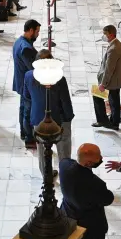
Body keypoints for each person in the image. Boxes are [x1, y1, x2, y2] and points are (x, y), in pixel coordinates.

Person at [23, 49, 75, 177]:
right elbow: (65, 101)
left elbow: (27, 96)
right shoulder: (59, 78)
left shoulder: (29, 75)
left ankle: (46, 175)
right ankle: (65, 176)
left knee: (42, 151)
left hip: (38, 118)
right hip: (58, 120)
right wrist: (68, 118)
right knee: (63, 150)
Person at [59, 143, 114, 239]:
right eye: (99, 157)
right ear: (89, 163)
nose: (101, 158)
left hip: (68, 221)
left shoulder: (64, 165)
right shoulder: (95, 184)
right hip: (90, 231)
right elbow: (109, 199)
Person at [13, 19, 41, 148]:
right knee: (27, 111)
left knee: (23, 108)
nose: (38, 34)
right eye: (37, 31)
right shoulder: (26, 48)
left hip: (21, 81)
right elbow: (32, 68)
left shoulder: (19, 41)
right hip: (26, 84)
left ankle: (24, 133)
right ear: (31, 30)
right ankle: (29, 138)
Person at [92, 25, 121, 131]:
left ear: (111, 34)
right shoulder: (116, 44)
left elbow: (109, 69)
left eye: (105, 34)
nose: (104, 36)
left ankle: (103, 120)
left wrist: (103, 84)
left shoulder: (114, 49)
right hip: (115, 80)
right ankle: (114, 121)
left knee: (97, 96)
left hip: (111, 81)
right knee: (114, 101)